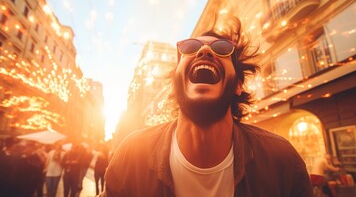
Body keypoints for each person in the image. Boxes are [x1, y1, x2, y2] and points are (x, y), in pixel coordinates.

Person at [102, 16, 313, 196]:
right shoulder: (131, 157)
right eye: (190, 48)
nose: (204, 51)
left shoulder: (282, 161)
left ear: (238, 85)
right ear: (175, 84)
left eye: (222, 49)